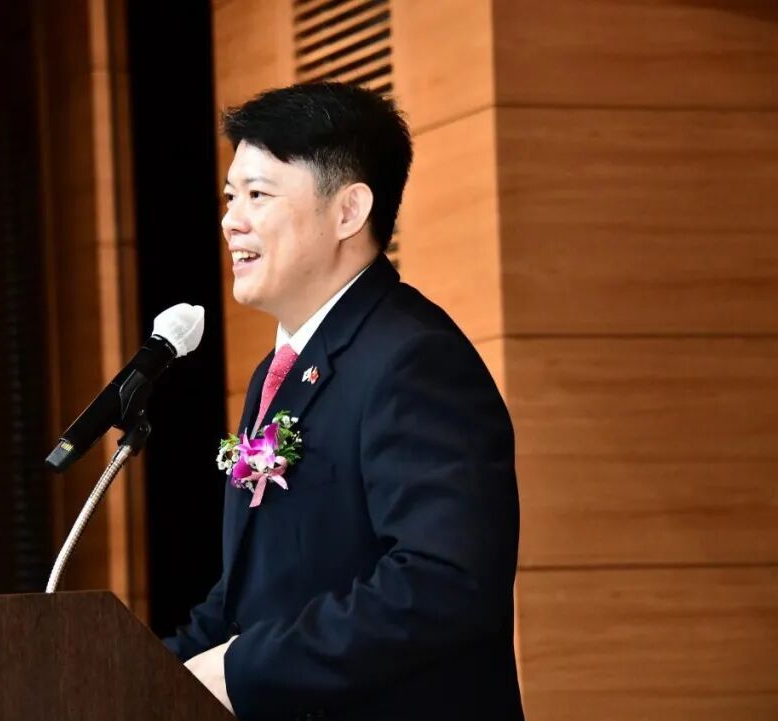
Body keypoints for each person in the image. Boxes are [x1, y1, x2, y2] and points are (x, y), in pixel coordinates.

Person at [163, 81, 524, 721]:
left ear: (349, 211)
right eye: (229, 196)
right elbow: (251, 593)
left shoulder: (413, 359)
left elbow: (442, 582)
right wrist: (135, 674)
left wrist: (246, 667)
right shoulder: (276, 373)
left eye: (258, 195)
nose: (231, 220)